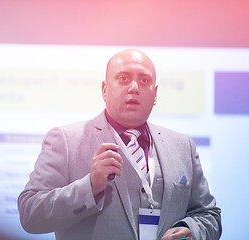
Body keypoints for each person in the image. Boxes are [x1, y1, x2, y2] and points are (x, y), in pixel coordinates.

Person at [18, 49, 222, 240]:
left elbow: (209, 215)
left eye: (144, 80)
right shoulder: (66, 140)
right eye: (123, 79)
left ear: (155, 94)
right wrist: (89, 187)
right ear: (105, 90)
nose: (134, 88)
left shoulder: (182, 146)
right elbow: (30, 214)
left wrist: (192, 231)